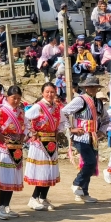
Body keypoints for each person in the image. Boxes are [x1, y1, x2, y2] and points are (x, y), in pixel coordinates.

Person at [61, 77, 109, 203]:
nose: (93, 89)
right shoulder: (80, 100)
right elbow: (63, 113)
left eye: (95, 86)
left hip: (93, 137)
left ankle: (84, 192)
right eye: (90, 86)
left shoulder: (98, 103)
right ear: (85, 88)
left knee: (91, 164)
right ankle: (77, 183)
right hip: (80, 136)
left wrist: (102, 131)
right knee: (90, 162)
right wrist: (71, 129)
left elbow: (106, 119)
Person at [0, 86, 27, 220]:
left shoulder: (21, 112)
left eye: (19, 98)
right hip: (4, 148)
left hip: (17, 148)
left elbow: (27, 125)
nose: (16, 101)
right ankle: (0, 206)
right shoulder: (0, 112)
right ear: (7, 97)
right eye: (14, 98)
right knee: (6, 177)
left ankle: (6, 206)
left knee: (12, 178)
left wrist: (24, 135)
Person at [23, 83, 69, 211]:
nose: (50, 94)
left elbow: (64, 121)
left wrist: (58, 130)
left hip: (52, 142)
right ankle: (33, 198)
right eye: (47, 92)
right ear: (42, 93)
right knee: (41, 172)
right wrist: (32, 131)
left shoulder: (58, 107)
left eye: (52, 92)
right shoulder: (38, 107)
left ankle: (43, 198)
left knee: (49, 171)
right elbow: (24, 118)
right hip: (39, 143)